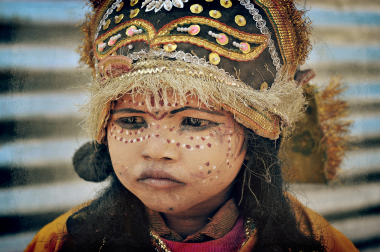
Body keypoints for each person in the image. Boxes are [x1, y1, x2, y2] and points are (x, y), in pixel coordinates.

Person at [25, 0, 358, 251]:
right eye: (131, 121)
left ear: (255, 133)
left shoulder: (316, 244)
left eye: (194, 122)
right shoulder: (62, 242)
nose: (155, 149)